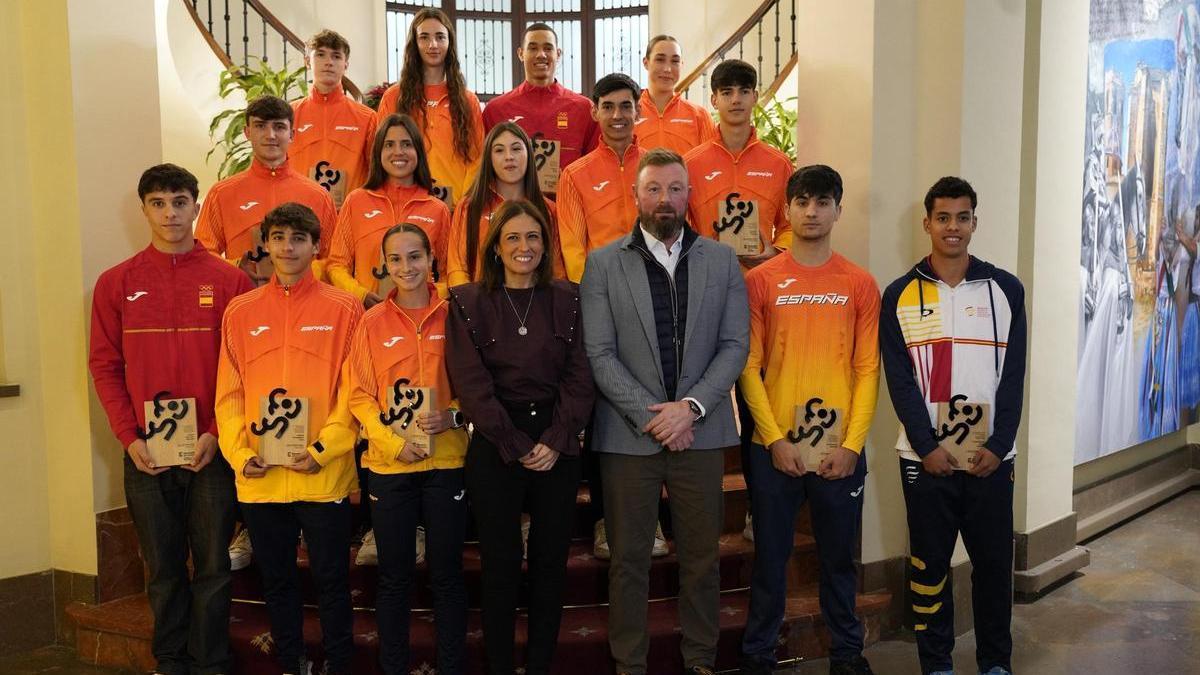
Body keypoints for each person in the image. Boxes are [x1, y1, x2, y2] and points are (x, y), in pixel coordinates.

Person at [580, 148, 750, 675]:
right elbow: (599, 354)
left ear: (689, 194)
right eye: (653, 188)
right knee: (628, 561)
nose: (665, 199)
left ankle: (699, 659)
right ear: (635, 195)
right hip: (629, 437)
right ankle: (629, 664)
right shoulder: (604, 263)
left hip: (700, 432)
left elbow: (734, 344)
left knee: (701, 559)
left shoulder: (721, 260)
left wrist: (691, 409)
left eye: (675, 188)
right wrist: (655, 417)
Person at [88, 164, 252, 675]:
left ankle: (211, 665)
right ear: (143, 210)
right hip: (145, 453)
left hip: (211, 449)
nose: (170, 213)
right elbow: (105, 365)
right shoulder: (116, 283)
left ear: (196, 207)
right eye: (158, 203)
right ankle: (171, 663)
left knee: (212, 569)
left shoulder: (230, 281)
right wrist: (127, 436)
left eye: (179, 201)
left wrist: (218, 433)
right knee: (161, 570)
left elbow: (247, 367)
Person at [879, 177, 1026, 675]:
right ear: (927, 224)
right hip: (925, 461)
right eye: (943, 217)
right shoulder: (899, 294)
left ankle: (995, 663)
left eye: (962, 217)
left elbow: (1013, 378)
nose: (953, 227)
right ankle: (936, 663)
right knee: (929, 568)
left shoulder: (1005, 289)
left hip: (991, 460)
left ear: (974, 223)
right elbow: (900, 381)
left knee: (991, 569)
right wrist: (926, 446)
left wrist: (1001, 443)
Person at [737, 166, 879, 675]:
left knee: (839, 561)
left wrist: (853, 446)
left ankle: (846, 653)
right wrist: (773, 439)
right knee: (770, 561)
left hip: (839, 451)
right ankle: (758, 656)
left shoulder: (859, 283)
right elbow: (747, 368)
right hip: (774, 449)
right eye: (802, 202)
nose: (812, 212)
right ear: (788, 209)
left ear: (838, 209)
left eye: (823, 202)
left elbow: (868, 370)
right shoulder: (759, 282)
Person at [446, 200, 594, 675]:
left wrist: (555, 437)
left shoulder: (569, 298)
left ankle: (540, 663)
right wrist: (512, 442)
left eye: (533, 237)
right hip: (496, 444)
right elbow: (470, 383)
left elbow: (580, 373)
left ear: (546, 245)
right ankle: (500, 664)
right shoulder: (468, 301)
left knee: (551, 563)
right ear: (495, 248)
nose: (523, 247)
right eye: (512, 237)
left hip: (558, 442)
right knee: (500, 563)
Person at [215, 203, 362, 675]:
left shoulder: (345, 308)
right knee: (277, 582)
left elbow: (353, 391)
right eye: (278, 237)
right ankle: (291, 662)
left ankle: (340, 664)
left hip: (323, 475)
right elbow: (230, 392)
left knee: (333, 581)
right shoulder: (240, 311)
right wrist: (239, 454)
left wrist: (323, 450)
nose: (288, 247)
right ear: (266, 244)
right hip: (261, 478)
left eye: (298, 238)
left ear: (316, 245)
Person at [347, 223, 468, 674]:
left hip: (447, 460)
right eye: (395, 259)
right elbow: (358, 393)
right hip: (389, 467)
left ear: (432, 258)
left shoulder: (456, 313)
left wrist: (454, 414)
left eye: (414, 256)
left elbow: (475, 382)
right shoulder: (371, 322)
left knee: (447, 576)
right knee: (395, 578)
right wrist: (392, 441)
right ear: (384, 264)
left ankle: (452, 666)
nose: (406, 267)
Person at [196, 95, 338, 287]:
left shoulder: (318, 196)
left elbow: (334, 260)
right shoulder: (221, 194)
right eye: (260, 126)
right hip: (244, 303)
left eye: (279, 127)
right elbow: (203, 254)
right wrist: (236, 266)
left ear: (292, 134)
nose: (270, 135)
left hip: (306, 307)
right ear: (247, 132)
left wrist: (301, 271)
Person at [327, 113, 452, 308]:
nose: (398, 152)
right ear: (378, 152)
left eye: (406, 144)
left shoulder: (438, 209)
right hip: (368, 315)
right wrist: (361, 295)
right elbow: (336, 265)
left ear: (418, 151)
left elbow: (448, 271)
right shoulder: (356, 201)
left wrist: (432, 297)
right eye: (389, 145)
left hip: (421, 318)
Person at [684, 59, 792, 269]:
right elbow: (677, 226)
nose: (736, 100)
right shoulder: (690, 164)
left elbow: (789, 225)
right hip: (706, 277)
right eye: (726, 92)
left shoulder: (779, 164)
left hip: (761, 277)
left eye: (743, 91)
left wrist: (776, 252)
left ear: (755, 97)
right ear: (714, 100)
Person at [374, 8, 483, 209]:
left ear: (449, 43)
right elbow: (382, 153)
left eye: (440, 37)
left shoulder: (468, 101)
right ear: (414, 44)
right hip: (405, 206)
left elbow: (476, 160)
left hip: (454, 208)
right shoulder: (393, 97)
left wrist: (461, 204)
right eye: (424, 37)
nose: (433, 44)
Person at [481, 22, 599, 195]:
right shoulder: (495, 109)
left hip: (567, 211)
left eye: (548, 48)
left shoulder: (584, 108)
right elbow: (485, 168)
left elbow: (595, 163)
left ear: (558, 54)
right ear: (521, 53)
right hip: (513, 212)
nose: (541, 55)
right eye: (533, 48)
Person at [444, 122, 560, 287]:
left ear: (529, 153)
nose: (509, 157)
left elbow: (556, 271)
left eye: (516, 149)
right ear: (488, 159)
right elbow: (457, 268)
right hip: (479, 306)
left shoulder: (548, 210)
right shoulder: (469, 206)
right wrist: (468, 305)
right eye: (499, 150)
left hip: (534, 307)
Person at [558, 73, 646, 283]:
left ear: (638, 112)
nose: (617, 115)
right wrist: (592, 293)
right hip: (603, 287)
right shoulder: (574, 175)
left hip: (654, 285)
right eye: (607, 107)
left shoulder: (658, 168)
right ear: (595, 112)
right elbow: (573, 250)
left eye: (626, 106)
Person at [290, 29, 377, 208]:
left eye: (336, 56)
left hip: (348, 217)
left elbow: (377, 174)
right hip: (298, 220)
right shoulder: (288, 115)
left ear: (346, 64)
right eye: (320, 55)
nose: (329, 62)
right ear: (307, 61)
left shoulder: (367, 118)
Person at [635, 35, 718, 156]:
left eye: (675, 61)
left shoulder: (699, 116)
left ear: (681, 64)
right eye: (660, 60)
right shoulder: (629, 114)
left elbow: (711, 161)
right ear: (646, 63)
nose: (668, 69)